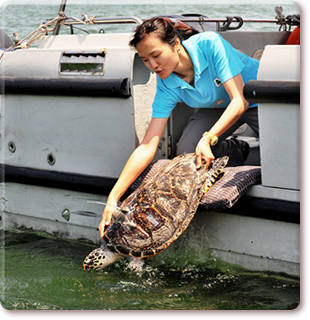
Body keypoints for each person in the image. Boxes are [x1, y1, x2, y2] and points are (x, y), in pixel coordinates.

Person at [98, 17, 259, 238]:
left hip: (257, 98)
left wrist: (209, 137)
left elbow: (239, 102)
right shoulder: (165, 84)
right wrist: (113, 198)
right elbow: (148, 145)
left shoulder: (210, 44)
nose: (153, 66)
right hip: (216, 107)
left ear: (175, 44)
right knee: (188, 152)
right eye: (145, 60)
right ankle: (237, 151)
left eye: (156, 55)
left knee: (282, 153)